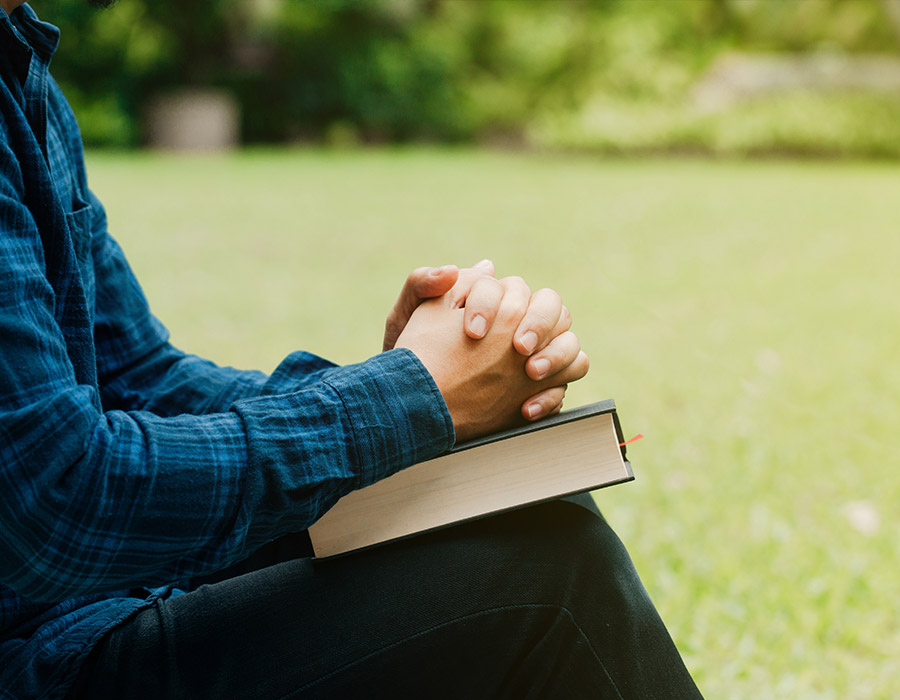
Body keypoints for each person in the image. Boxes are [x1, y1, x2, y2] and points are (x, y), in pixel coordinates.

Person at [0, 2, 704, 698]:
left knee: (522, 511)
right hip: (39, 652)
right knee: (548, 582)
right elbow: (57, 497)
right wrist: (407, 397)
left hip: (90, 604)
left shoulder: (22, 75)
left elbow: (142, 376)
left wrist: (422, 387)